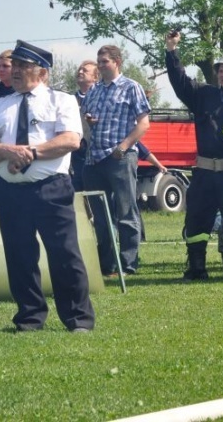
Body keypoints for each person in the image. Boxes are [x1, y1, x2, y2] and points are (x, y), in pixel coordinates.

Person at [0, 40, 95, 333]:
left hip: (51, 188)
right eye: (13, 65)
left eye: (23, 66)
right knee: (19, 255)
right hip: (9, 190)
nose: (15, 71)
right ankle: (29, 317)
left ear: (42, 72)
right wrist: (8, 151)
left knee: (65, 254)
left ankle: (78, 318)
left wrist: (29, 152)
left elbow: (70, 140)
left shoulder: (62, 100)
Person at [166, 32, 223, 280]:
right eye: (220, 70)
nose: (222, 74)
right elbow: (180, 82)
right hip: (205, 172)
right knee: (196, 219)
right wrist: (171, 52)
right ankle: (196, 267)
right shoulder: (204, 95)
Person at [81, 45, 151, 276]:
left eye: (105, 61)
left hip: (120, 157)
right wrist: (89, 122)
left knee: (126, 211)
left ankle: (129, 263)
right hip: (95, 159)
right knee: (101, 216)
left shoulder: (131, 87)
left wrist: (123, 147)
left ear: (117, 62)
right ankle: (107, 264)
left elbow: (144, 123)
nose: (100, 65)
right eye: (99, 62)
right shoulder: (94, 91)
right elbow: (86, 120)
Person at [71, 60, 99, 191]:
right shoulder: (69, 100)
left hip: (96, 155)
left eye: (85, 70)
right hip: (75, 155)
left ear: (95, 77)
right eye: (79, 69)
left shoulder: (101, 98)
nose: (80, 72)